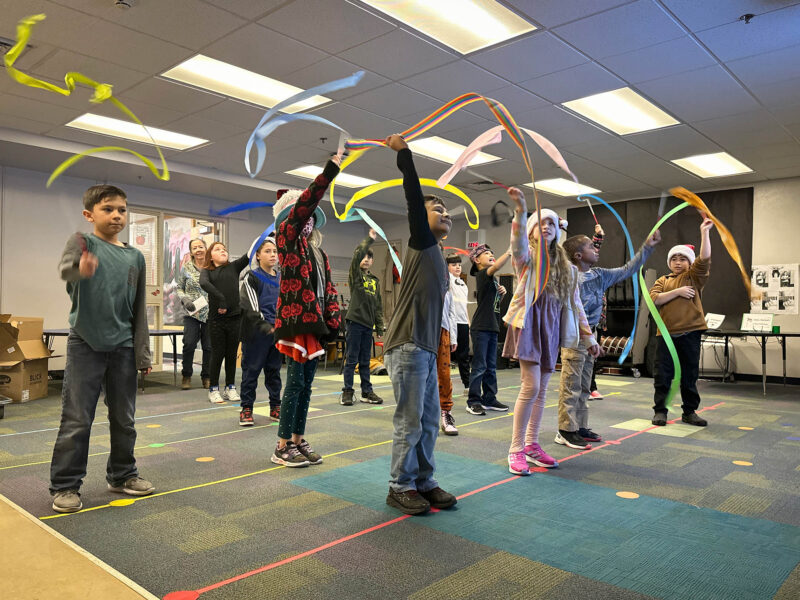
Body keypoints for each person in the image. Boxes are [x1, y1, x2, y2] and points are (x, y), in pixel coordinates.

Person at [50, 184, 153, 513]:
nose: (116, 215)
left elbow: (138, 310)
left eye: (122, 209)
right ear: (89, 214)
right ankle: (66, 485)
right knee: (78, 419)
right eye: (108, 209)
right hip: (86, 344)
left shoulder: (135, 256)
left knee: (125, 419)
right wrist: (80, 270)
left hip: (123, 347)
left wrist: (142, 352)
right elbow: (65, 270)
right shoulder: (83, 242)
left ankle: (122, 474)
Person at [383, 133, 457, 515]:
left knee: (429, 421)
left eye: (447, 210)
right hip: (408, 344)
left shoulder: (439, 255)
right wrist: (404, 154)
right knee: (410, 421)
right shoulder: (422, 243)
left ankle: (423, 481)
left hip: (426, 346)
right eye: (437, 208)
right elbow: (414, 196)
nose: (445, 212)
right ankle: (400, 485)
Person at [502, 187, 599, 476]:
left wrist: (588, 337)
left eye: (551, 224)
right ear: (531, 231)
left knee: (542, 389)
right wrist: (521, 212)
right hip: (528, 324)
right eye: (540, 223)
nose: (546, 227)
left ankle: (532, 444)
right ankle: (516, 449)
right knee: (530, 387)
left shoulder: (567, 268)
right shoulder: (526, 260)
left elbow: (575, 303)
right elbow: (516, 243)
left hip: (551, 328)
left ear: (558, 231)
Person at [558, 226, 661, 448]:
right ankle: (565, 430)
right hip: (574, 337)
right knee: (571, 385)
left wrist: (647, 248)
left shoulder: (599, 275)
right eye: (590, 246)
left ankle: (580, 426)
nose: (596, 249)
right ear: (578, 256)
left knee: (585, 385)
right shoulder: (568, 277)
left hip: (592, 336)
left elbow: (628, 269)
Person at [270, 159, 342, 467]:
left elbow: (328, 288)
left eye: (312, 217)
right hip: (295, 321)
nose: (308, 219)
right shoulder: (286, 238)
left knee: (308, 385)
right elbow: (305, 203)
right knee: (295, 383)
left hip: (315, 324)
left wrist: (334, 318)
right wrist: (329, 173)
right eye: (304, 214)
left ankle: (298, 440)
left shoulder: (318, 252)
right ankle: (281, 444)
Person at [649, 218, 714, 427]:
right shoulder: (663, 280)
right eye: (674, 259)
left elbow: (704, 258)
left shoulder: (694, 277)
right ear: (669, 262)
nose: (678, 262)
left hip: (691, 332)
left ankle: (689, 411)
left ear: (689, 262)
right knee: (663, 374)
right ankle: (660, 411)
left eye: (683, 259)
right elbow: (653, 299)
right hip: (666, 334)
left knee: (689, 374)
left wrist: (704, 233)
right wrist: (677, 292)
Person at [238, 236, 282, 427]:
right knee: (251, 371)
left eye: (275, 251)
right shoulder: (252, 277)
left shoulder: (282, 278)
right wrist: (266, 326)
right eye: (267, 251)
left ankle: (275, 406)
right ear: (258, 255)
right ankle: (246, 408)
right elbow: (251, 306)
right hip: (257, 333)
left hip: (277, 333)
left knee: (274, 371)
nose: (272, 255)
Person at [200, 242, 249, 404]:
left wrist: (267, 236)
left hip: (235, 318)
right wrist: (221, 299)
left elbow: (250, 253)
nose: (222, 251)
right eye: (217, 249)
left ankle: (230, 387)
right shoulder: (207, 271)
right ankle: (213, 388)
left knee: (231, 354)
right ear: (210, 256)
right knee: (217, 354)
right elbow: (204, 284)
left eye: (224, 249)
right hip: (217, 321)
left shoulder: (234, 267)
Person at [340, 229, 384, 406]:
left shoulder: (374, 280)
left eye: (369, 257)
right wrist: (369, 240)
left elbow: (378, 306)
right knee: (352, 359)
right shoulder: (356, 276)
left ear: (373, 261)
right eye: (364, 257)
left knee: (365, 360)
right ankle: (348, 392)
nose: (366, 259)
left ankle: (367, 391)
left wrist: (379, 327)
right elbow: (358, 255)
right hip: (355, 323)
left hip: (368, 325)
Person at [465, 244, 509, 415]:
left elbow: (493, 302)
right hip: (481, 327)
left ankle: (489, 398)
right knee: (480, 366)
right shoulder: (483, 274)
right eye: (486, 253)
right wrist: (510, 251)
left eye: (492, 252)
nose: (491, 255)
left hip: (492, 327)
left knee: (491, 366)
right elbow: (497, 265)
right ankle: (473, 400)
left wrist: (502, 294)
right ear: (477, 260)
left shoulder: (493, 280)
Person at [176, 238, 211, 390]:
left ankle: (207, 376)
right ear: (191, 252)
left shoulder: (212, 267)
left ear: (206, 248)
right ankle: (186, 375)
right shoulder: (186, 268)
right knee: (189, 344)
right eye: (195, 248)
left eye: (201, 247)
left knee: (209, 347)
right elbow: (179, 287)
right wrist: (184, 298)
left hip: (210, 313)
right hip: (192, 312)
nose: (198, 250)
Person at [439, 253, 459, 436]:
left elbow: (451, 314)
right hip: (423, 334)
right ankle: (423, 415)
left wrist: (453, 338)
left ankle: (446, 413)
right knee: (422, 376)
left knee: (444, 375)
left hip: (443, 333)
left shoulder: (448, 290)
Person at [447, 254, 471, 396]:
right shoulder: (447, 280)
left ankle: (467, 385)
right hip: (451, 322)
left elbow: (464, 305)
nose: (457, 267)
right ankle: (441, 384)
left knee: (464, 356)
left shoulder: (463, 283)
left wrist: (468, 322)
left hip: (462, 323)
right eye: (453, 264)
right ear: (447, 267)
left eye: (459, 265)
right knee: (446, 355)